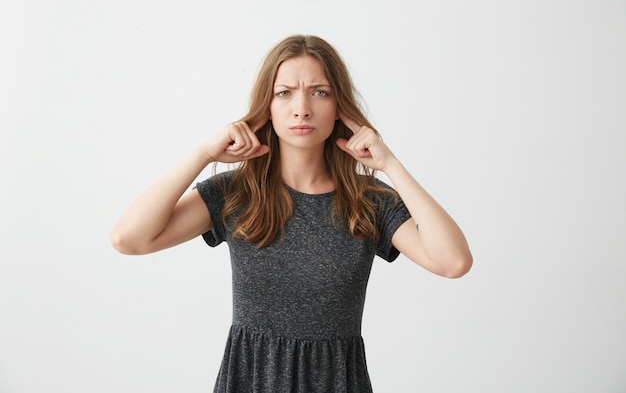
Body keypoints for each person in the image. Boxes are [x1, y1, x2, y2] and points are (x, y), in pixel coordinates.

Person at [110, 34, 473, 393]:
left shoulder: (369, 201)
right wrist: (203, 154)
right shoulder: (237, 192)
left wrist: (391, 165)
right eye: (285, 93)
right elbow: (129, 239)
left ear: (339, 107)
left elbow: (453, 262)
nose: (302, 108)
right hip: (250, 382)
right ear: (267, 106)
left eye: (319, 92)